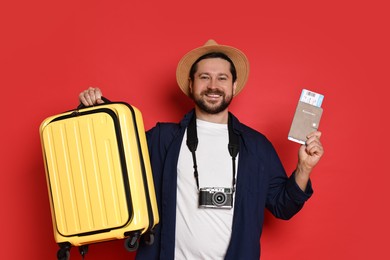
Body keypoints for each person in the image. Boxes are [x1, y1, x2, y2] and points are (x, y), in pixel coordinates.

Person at [79, 39, 324, 260]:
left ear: (234, 85)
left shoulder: (256, 146)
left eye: (222, 78)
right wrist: (97, 108)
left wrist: (303, 168)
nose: (213, 85)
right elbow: (116, 156)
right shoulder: (163, 138)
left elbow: (283, 206)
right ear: (191, 83)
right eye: (204, 77)